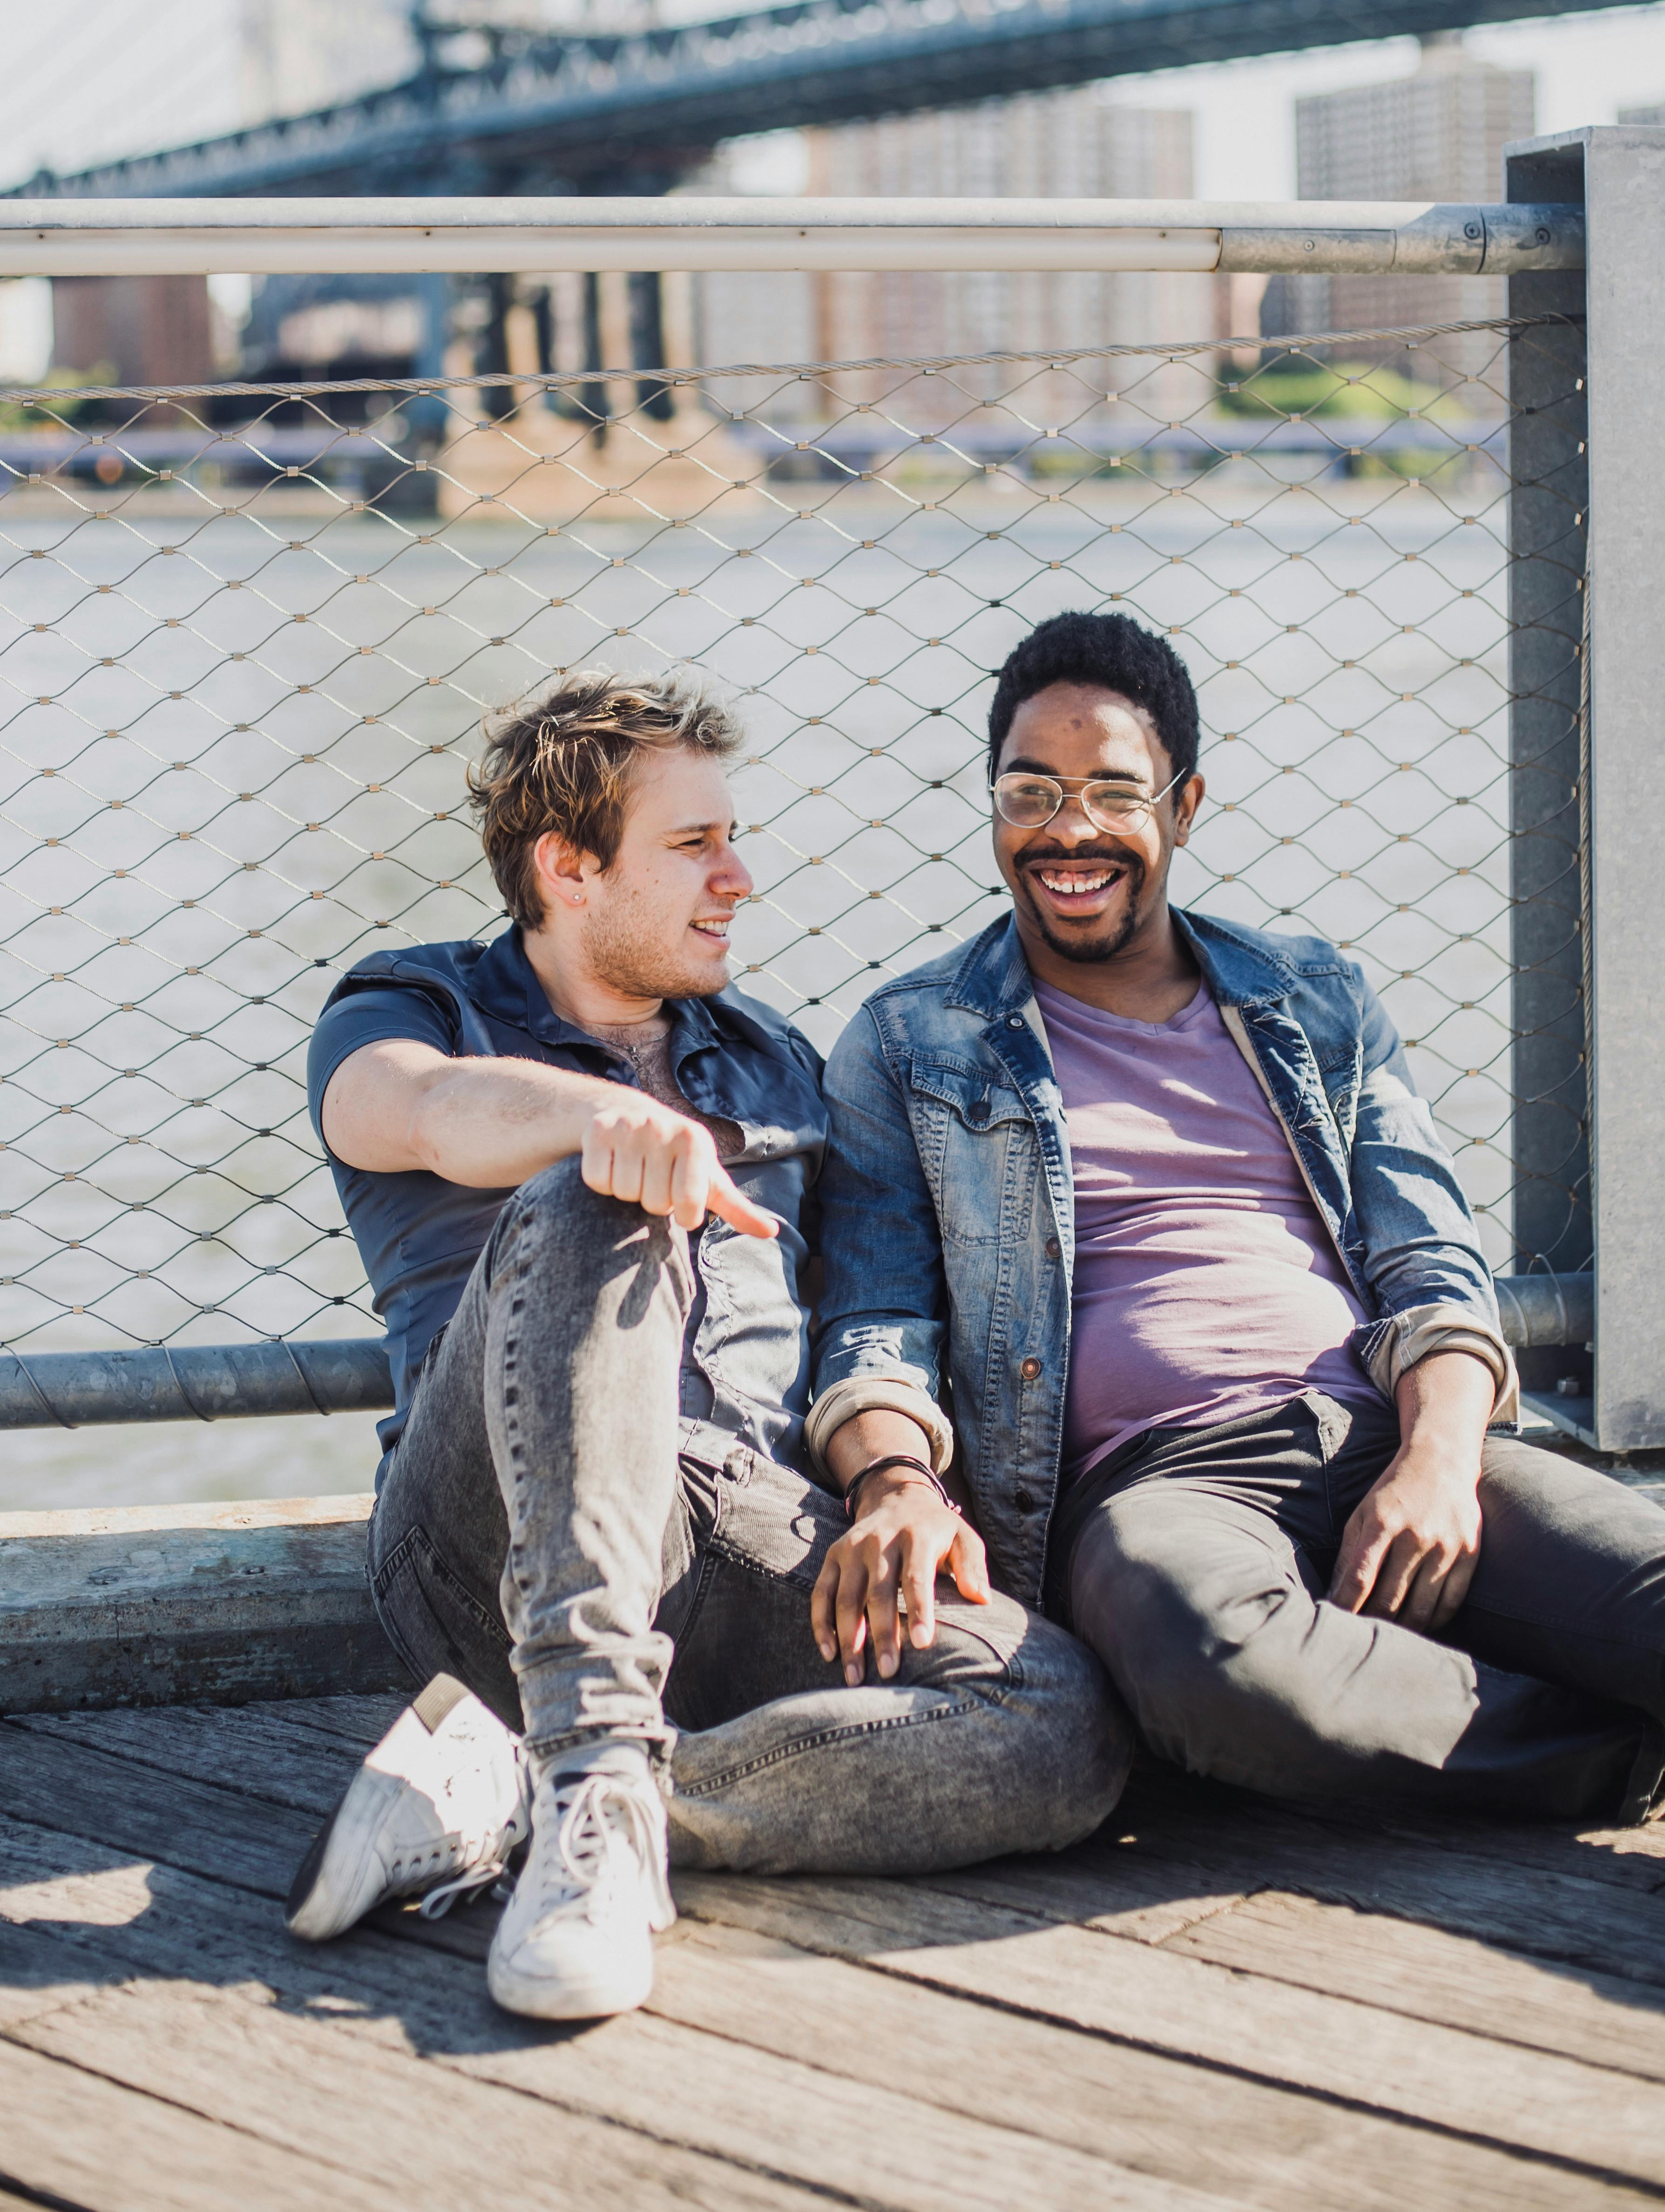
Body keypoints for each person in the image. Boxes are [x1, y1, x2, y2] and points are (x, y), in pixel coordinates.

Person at [287, 669, 1130, 2022]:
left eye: (732, 839)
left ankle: (560, 1790)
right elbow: (422, 1113)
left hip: (729, 1520)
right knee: (601, 1191)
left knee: (1056, 1714)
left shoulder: (772, 1059)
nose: (737, 877)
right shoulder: (412, 1005)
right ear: (568, 866)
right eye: (694, 845)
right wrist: (598, 1124)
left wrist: (894, 1483)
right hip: (484, 1539)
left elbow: (868, 1307)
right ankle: (588, 1772)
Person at [811, 609, 1665, 1825]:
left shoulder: (1316, 997)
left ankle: (1420, 1710)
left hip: (1377, 1434)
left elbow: (1433, 1263)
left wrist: (1437, 1459)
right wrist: (892, 1478)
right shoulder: (911, 1041)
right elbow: (873, 1317)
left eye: (1115, 791)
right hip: (1156, 1494)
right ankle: (1622, 1756)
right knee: (1208, 1654)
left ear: (1185, 804)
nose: (1071, 830)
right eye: (1030, 790)